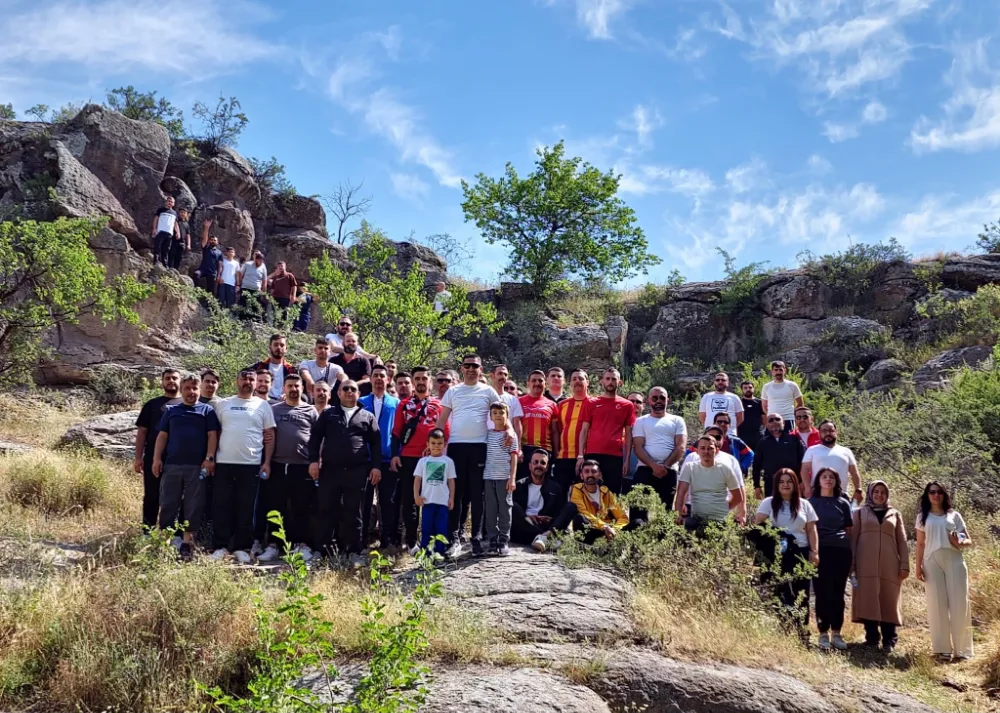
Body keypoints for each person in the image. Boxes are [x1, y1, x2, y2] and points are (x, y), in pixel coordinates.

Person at [436, 354, 507, 557]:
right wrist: (435, 445)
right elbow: (441, 420)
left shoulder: (488, 391)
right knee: (455, 493)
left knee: (477, 495)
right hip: (457, 447)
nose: (470, 369)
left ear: (480, 369)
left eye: (474, 366)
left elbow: (503, 413)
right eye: (467, 365)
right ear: (461, 368)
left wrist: (509, 430)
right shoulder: (453, 391)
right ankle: (454, 538)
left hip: (480, 447)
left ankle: (476, 538)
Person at [308, 380, 381, 566]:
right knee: (326, 510)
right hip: (330, 471)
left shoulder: (367, 416)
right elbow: (315, 438)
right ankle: (320, 551)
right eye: (345, 389)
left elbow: (376, 444)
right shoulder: (328, 414)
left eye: (353, 389)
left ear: (358, 394)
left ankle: (353, 551)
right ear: (338, 393)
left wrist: (376, 466)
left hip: (357, 472)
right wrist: (313, 461)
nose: (349, 392)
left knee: (354, 512)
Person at [151, 373, 219, 561]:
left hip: (196, 467)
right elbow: (162, 436)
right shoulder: (171, 411)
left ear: (200, 390)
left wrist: (210, 458)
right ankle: (164, 541)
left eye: (195, 388)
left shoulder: (207, 411)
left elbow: (212, 435)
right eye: (187, 388)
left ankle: (188, 544)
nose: (191, 392)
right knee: (168, 503)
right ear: (181, 390)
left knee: (193, 505)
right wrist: (156, 459)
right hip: (172, 465)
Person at [211, 369, 276, 563]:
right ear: (236, 381)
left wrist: (267, 462)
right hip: (223, 463)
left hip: (251, 464)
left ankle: (242, 547)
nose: (247, 382)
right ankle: (220, 546)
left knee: (246, 507)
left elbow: (270, 436)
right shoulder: (223, 404)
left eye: (251, 379)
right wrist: (211, 458)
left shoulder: (263, 406)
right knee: (222, 505)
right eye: (244, 378)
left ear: (256, 383)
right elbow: (214, 433)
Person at [260, 375, 317, 563]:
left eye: (297, 386)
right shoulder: (273, 409)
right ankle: (274, 546)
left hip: (302, 467)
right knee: (275, 506)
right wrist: (266, 461)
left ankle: (302, 545)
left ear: (302, 388)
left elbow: (318, 439)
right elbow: (266, 433)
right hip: (277, 465)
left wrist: (316, 461)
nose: (294, 389)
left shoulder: (311, 410)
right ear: (283, 388)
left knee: (301, 507)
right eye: (290, 386)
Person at [915, 482, 974, 662]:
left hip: (954, 560)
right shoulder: (922, 517)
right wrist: (918, 567)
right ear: (927, 495)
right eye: (932, 492)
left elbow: (967, 540)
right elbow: (920, 544)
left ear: (944, 495)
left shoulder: (954, 516)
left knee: (959, 603)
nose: (936, 495)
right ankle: (942, 650)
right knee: (936, 604)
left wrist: (959, 541)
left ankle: (962, 651)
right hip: (931, 561)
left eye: (939, 492)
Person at [753, 468, 818, 628]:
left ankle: (802, 630)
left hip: (800, 553)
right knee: (780, 592)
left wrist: (815, 552)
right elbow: (758, 528)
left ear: (795, 484)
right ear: (776, 485)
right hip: (777, 554)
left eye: (789, 481)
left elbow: (811, 530)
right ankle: (783, 628)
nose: (785, 485)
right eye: (781, 482)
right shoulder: (768, 503)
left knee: (801, 593)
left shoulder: (805, 504)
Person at [392, 366, 447, 553]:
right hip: (408, 458)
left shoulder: (439, 405)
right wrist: (394, 455)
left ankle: (430, 541)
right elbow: (397, 433)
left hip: (433, 460)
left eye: (424, 378)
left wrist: (441, 457)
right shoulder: (404, 405)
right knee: (410, 501)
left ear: (430, 381)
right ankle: (411, 541)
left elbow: (445, 434)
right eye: (418, 378)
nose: (421, 381)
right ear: (413, 382)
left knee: (432, 500)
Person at [851, 480, 909, 652]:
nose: (879, 495)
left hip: (890, 563)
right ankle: (871, 638)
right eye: (876, 491)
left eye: (883, 492)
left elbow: (903, 540)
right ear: (870, 493)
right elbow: (853, 538)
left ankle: (889, 640)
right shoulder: (860, 513)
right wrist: (852, 564)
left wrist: (904, 564)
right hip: (864, 562)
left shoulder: (895, 514)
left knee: (888, 599)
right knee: (867, 597)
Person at [809, 467, 854, 651]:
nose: (828, 480)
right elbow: (808, 528)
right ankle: (823, 633)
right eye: (824, 477)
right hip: (820, 551)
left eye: (832, 477)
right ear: (818, 481)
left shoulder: (843, 502)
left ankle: (836, 632)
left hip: (841, 551)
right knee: (822, 592)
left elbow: (849, 530)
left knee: (838, 592)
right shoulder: (810, 502)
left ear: (837, 481)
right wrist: (813, 551)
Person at [134, 368, 182, 529]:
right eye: (167, 378)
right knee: (152, 496)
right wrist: (138, 457)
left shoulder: (186, 404)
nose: (171, 381)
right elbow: (142, 432)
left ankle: (173, 533)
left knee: (176, 497)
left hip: (178, 459)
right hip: (152, 458)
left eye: (174, 378)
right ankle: (148, 531)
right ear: (162, 382)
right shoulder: (152, 405)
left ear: (180, 381)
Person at [631, 387, 687, 523]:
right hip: (644, 470)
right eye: (655, 398)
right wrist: (653, 466)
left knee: (665, 515)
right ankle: (637, 541)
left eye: (662, 398)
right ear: (649, 401)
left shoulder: (677, 420)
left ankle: (662, 542)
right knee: (638, 513)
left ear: (668, 400)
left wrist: (665, 466)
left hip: (669, 471)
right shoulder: (640, 421)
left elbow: (680, 447)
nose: (658, 401)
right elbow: (638, 447)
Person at [360, 364, 400, 551]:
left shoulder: (395, 403)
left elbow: (398, 432)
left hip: (387, 459)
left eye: (382, 376)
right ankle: (362, 540)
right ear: (370, 378)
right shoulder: (361, 401)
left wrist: (396, 455)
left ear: (388, 379)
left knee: (387, 502)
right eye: (375, 375)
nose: (378, 379)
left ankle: (387, 540)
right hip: (365, 459)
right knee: (364, 502)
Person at [675, 435, 746, 530]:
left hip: (720, 520)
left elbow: (738, 497)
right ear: (697, 451)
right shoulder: (690, 468)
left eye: (710, 448)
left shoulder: (725, 469)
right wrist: (678, 514)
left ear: (716, 451)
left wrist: (724, 507)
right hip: (696, 519)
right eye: (703, 448)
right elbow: (681, 493)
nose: (706, 452)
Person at [585, 367, 635, 495]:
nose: (610, 382)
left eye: (614, 379)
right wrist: (581, 455)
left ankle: (611, 516)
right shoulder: (591, 403)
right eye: (607, 378)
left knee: (612, 493)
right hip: (592, 453)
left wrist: (627, 459)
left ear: (619, 382)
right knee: (590, 491)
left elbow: (629, 434)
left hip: (615, 456)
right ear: (602, 381)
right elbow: (584, 430)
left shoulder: (627, 405)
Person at [560, 459, 629, 544]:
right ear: (581, 475)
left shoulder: (606, 492)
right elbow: (583, 512)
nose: (590, 474)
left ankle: (611, 544)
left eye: (593, 471)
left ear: (600, 475)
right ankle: (588, 547)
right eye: (586, 471)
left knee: (636, 523)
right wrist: (604, 526)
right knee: (579, 518)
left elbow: (622, 517)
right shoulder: (577, 489)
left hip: (609, 531)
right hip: (592, 529)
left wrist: (615, 529)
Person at [482, 401, 518, 556]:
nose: (498, 416)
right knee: (490, 510)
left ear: (507, 415)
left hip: (504, 477)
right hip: (489, 477)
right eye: (495, 413)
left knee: (504, 508)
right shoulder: (487, 434)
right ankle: (492, 539)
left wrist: (512, 478)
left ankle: (504, 539)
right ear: (490, 416)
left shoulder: (510, 435)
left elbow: (514, 457)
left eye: (501, 413)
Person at [413, 429, 456, 556]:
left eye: (439, 443)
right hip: (427, 501)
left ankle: (439, 554)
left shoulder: (448, 462)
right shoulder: (423, 462)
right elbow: (417, 480)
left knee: (441, 530)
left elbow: (451, 481)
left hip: (442, 502)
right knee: (426, 529)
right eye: (433, 443)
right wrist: (416, 496)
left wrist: (451, 498)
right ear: (428, 444)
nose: (436, 446)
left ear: (444, 444)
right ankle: (425, 555)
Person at [511, 449, 565, 550]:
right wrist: (528, 517)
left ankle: (542, 537)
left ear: (547, 467)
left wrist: (548, 519)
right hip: (522, 529)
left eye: (543, 463)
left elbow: (559, 514)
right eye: (535, 462)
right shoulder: (519, 485)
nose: (539, 465)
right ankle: (543, 538)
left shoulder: (555, 488)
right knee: (512, 506)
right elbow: (514, 514)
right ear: (530, 465)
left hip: (543, 527)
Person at [553, 369, 594, 494]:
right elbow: (558, 430)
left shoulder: (595, 404)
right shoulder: (562, 405)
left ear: (587, 382)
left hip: (586, 458)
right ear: (569, 383)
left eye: (581, 379)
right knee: (559, 494)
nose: (577, 381)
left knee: (584, 495)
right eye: (574, 379)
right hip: (563, 457)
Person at [801, 420, 862, 502]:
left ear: (836, 432)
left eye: (831, 430)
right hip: (817, 494)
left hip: (841, 495)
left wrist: (858, 489)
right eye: (824, 431)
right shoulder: (812, 450)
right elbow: (804, 470)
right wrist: (807, 487)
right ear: (819, 433)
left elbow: (854, 472)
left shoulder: (846, 451)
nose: (827, 433)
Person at [517, 370, 560, 478]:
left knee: (545, 485)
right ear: (528, 383)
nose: (537, 383)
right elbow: (515, 427)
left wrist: (556, 453)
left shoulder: (552, 405)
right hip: (525, 449)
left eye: (540, 381)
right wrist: (518, 449)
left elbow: (555, 431)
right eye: (534, 380)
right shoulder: (518, 402)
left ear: (545, 384)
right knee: (523, 485)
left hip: (545, 450)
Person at [752, 412, 805, 499]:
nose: (774, 422)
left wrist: (802, 481)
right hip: (771, 484)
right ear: (767, 425)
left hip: (793, 482)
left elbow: (802, 462)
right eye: (771, 420)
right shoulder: (762, 443)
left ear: (783, 423)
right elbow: (756, 465)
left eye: (777, 419)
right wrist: (757, 486)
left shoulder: (794, 440)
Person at [249, 333, 297, 401]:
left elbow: (297, 388)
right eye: (275, 345)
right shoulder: (258, 367)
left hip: (284, 404)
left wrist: (288, 395)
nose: (279, 347)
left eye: (282, 345)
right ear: (270, 347)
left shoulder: (291, 370)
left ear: (286, 348)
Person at [761, 361, 804, 432]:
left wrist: (791, 413)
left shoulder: (792, 385)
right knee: (771, 442)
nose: (778, 372)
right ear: (772, 371)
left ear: (785, 370)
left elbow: (800, 404)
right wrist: (771, 417)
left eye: (780, 370)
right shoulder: (766, 387)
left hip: (788, 419)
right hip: (772, 420)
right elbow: (764, 406)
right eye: (776, 370)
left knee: (789, 441)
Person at [299, 338, 345, 404]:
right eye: (320, 348)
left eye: (326, 348)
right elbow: (304, 372)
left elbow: (342, 375)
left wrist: (344, 382)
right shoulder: (306, 363)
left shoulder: (335, 368)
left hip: (327, 398)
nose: (323, 350)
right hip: (310, 398)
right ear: (315, 350)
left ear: (330, 351)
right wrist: (309, 380)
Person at [711, 412, 754, 476]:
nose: (723, 424)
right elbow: (690, 453)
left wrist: (741, 468)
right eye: (719, 422)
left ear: (729, 425)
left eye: (726, 422)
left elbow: (750, 454)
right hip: (711, 474)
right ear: (714, 424)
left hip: (731, 476)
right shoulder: (704, 441)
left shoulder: (735, 441)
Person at [490, 364, 524, 443]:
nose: (503, 377)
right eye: (500, 374)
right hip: (488, 442)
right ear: (492, 376)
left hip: (507, 442)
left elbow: (517, 425)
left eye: (505, 374)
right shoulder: (485, 396)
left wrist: (518, 446)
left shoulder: (513, 399)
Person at [236, 251, 268, 316]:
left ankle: (252, 321)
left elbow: (264, 280)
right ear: (256, 259)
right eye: (259, 261)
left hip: (256, 291)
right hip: (245, 288)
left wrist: (263, 292)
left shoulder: (263, 267)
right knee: (243, 305)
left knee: (254, 307)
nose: (260, 263)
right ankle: (240, 321)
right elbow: (240, 274)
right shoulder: (247, 264)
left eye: (262, 261)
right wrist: (239, 284)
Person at [151, 195, 179, 267]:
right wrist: (154, 228)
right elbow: (155, 219)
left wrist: (178, 232)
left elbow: (175, 224)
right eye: (169, 201)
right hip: (160, 231)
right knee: (158, 246)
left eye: (171, 202)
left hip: (169, 233)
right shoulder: (160, 210)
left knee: (166, 249)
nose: (170, 203)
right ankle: (155, 261)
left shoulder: (175, 213)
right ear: (166, 202)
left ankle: (165, 264)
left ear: (174, 204)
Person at [737, 380, 764, 451]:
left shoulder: (760, 402)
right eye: (745, 388)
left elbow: (764, 419)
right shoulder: (738, 403)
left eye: (750, 387)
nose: (748, 389)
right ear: (742, 390)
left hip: (758, 435)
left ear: (753, 388)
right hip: (742, 435)